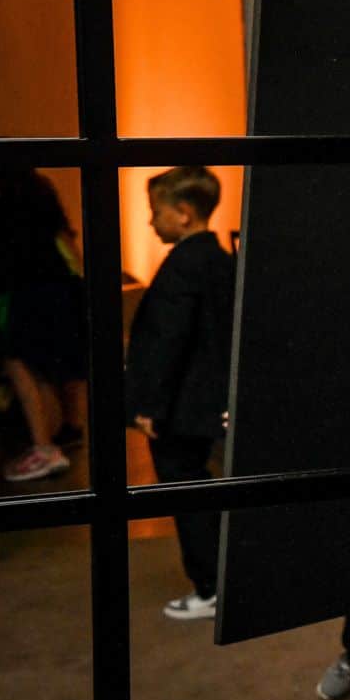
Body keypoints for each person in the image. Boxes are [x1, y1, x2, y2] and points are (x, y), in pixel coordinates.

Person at [125, 166, 236, 621]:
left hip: (179, 406)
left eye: (156, 211)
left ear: (184, 213)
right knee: (200, 486)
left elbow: (166, 341)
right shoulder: (219, 261)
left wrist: (148, 404)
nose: (151, 221)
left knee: (184, 490)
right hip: (205, 401)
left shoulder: (181, 269)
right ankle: (220, 577)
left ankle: (210, 585)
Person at [0, 169, 87, 484]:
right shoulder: (38, 187)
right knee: (63, 365)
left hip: (25, 288)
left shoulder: (5, 194)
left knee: (25, 367)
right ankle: (70, 430)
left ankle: (44, 447)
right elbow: (67, 240)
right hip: (63, 285)